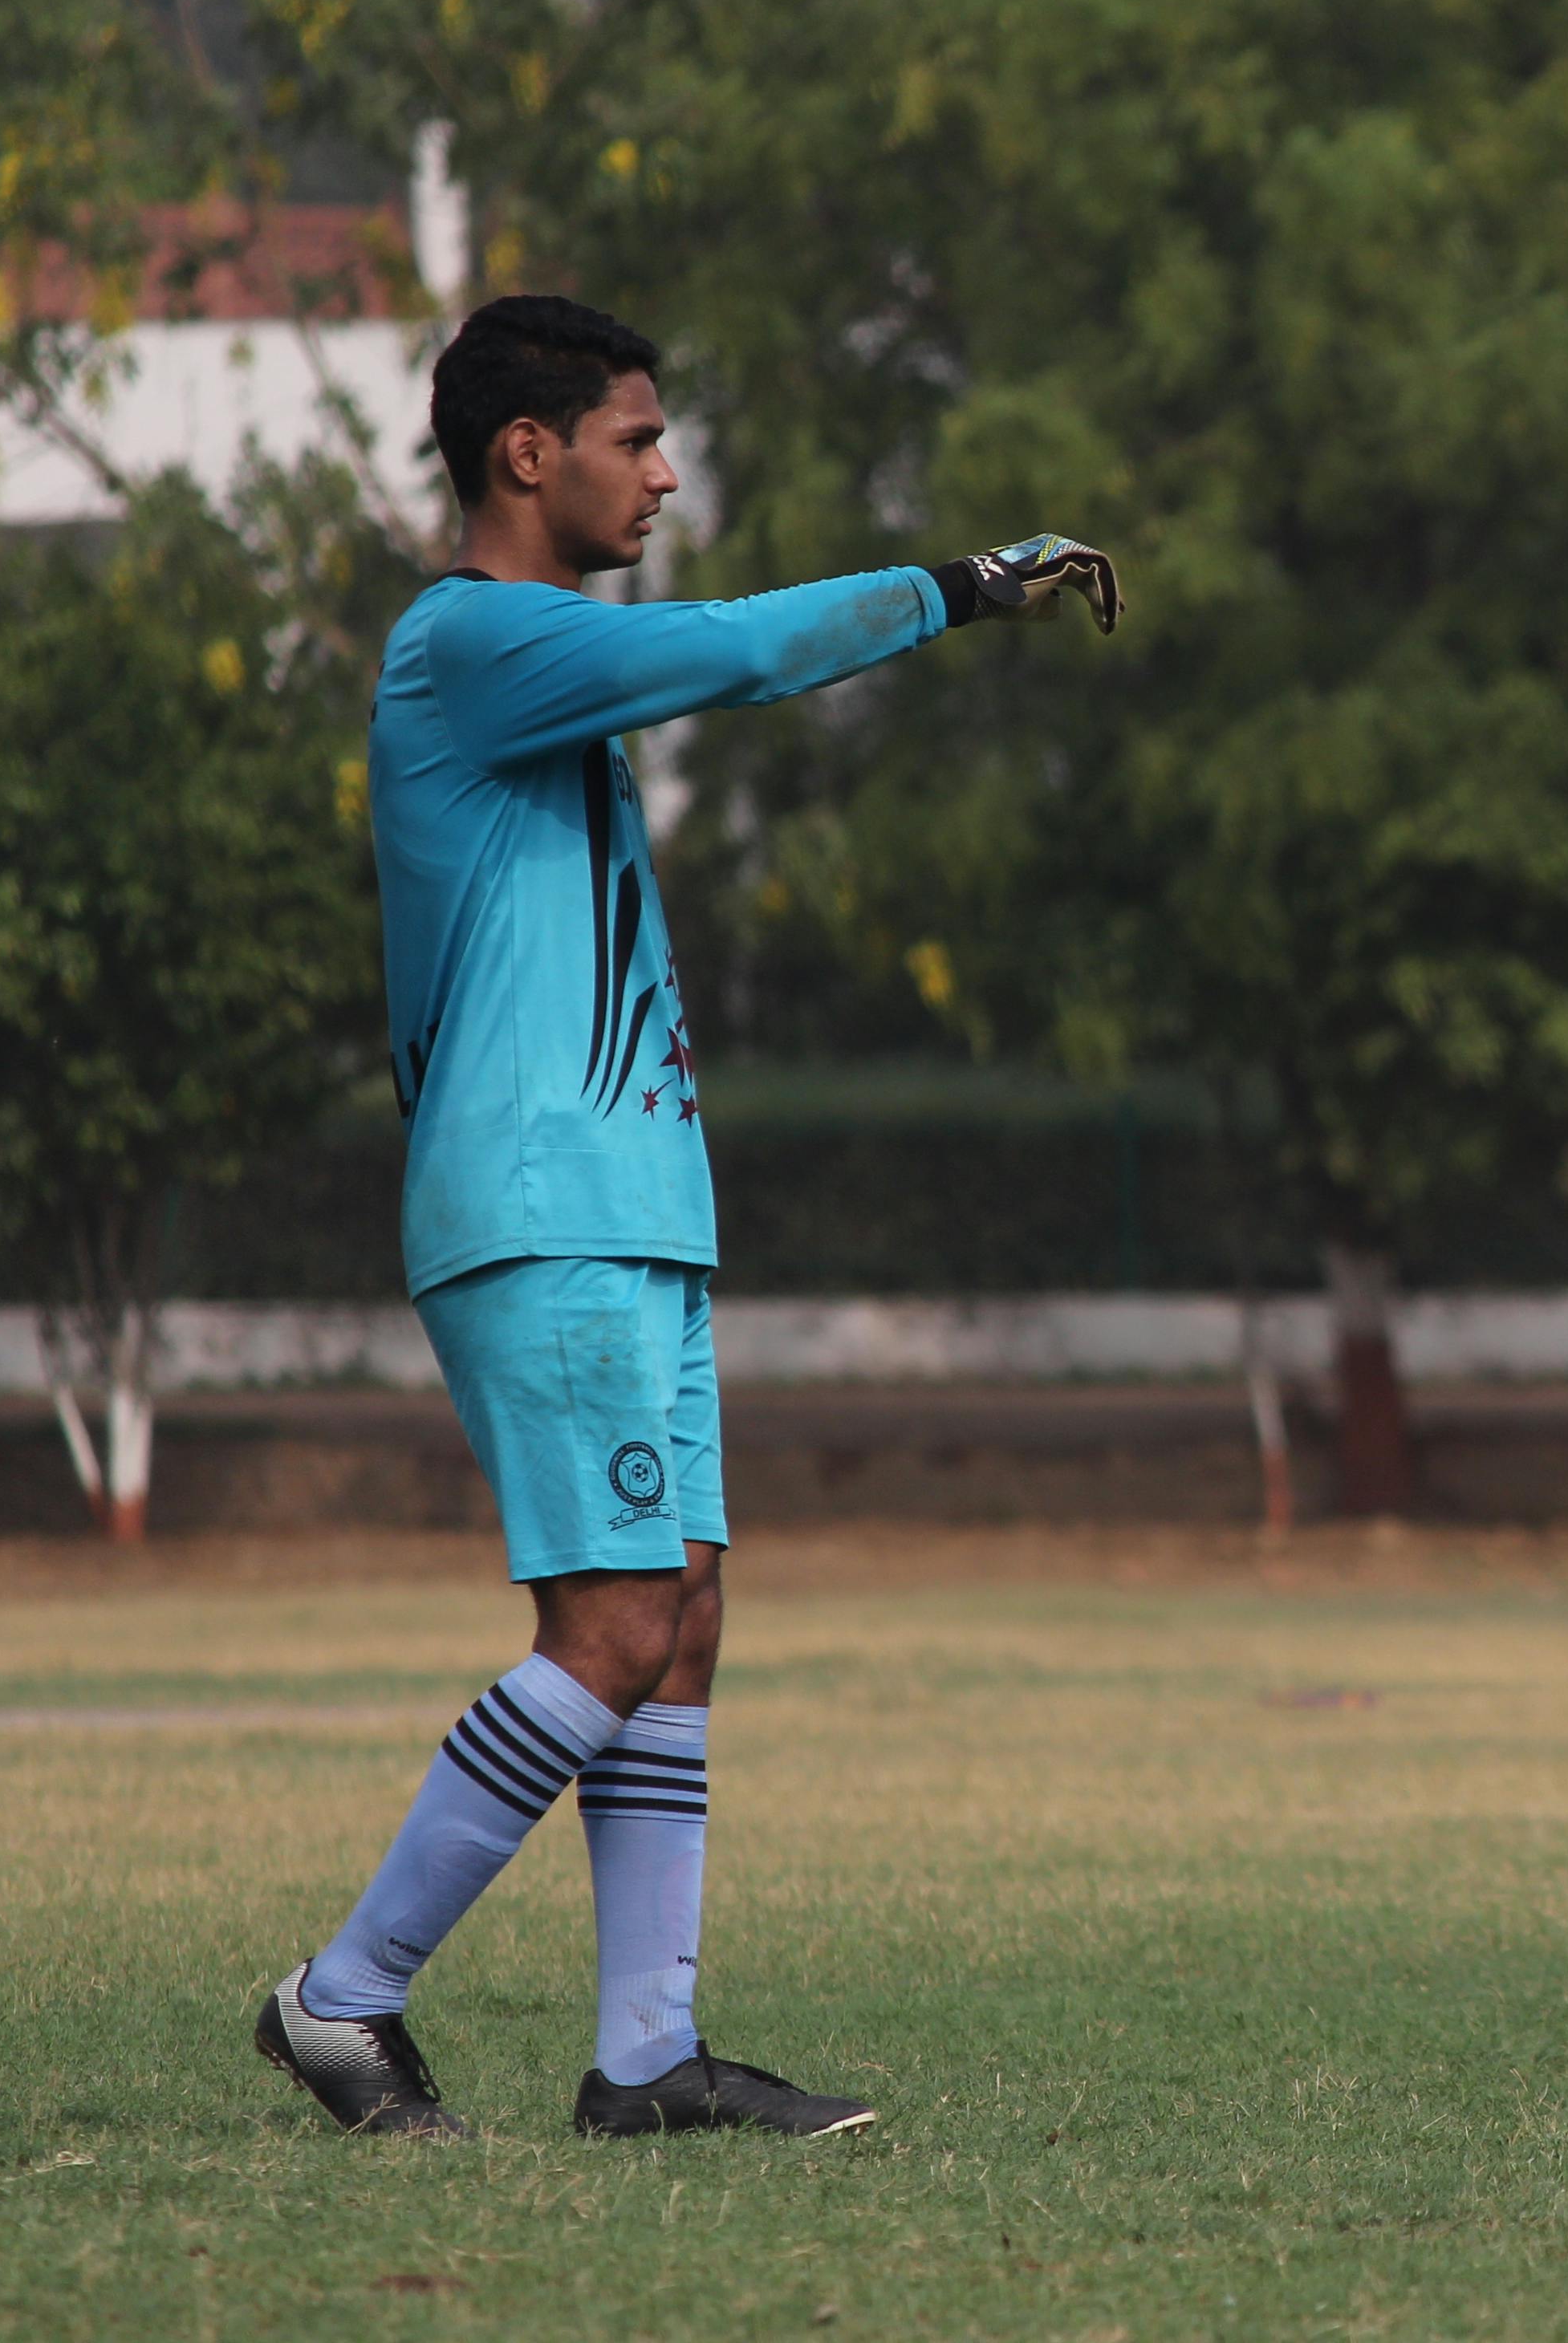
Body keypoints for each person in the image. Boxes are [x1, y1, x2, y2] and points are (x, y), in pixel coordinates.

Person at [254, 294, 1115, 2140]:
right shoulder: (470, 640)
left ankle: (648, 2058)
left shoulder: (543, 655)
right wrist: (958, 585)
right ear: (526, 453)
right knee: (618, 1625)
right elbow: (738, 655)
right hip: (538, 1205)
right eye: (637, 438)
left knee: (685, 1616)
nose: (666, 470)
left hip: (634, 1203)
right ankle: (342, 1999)